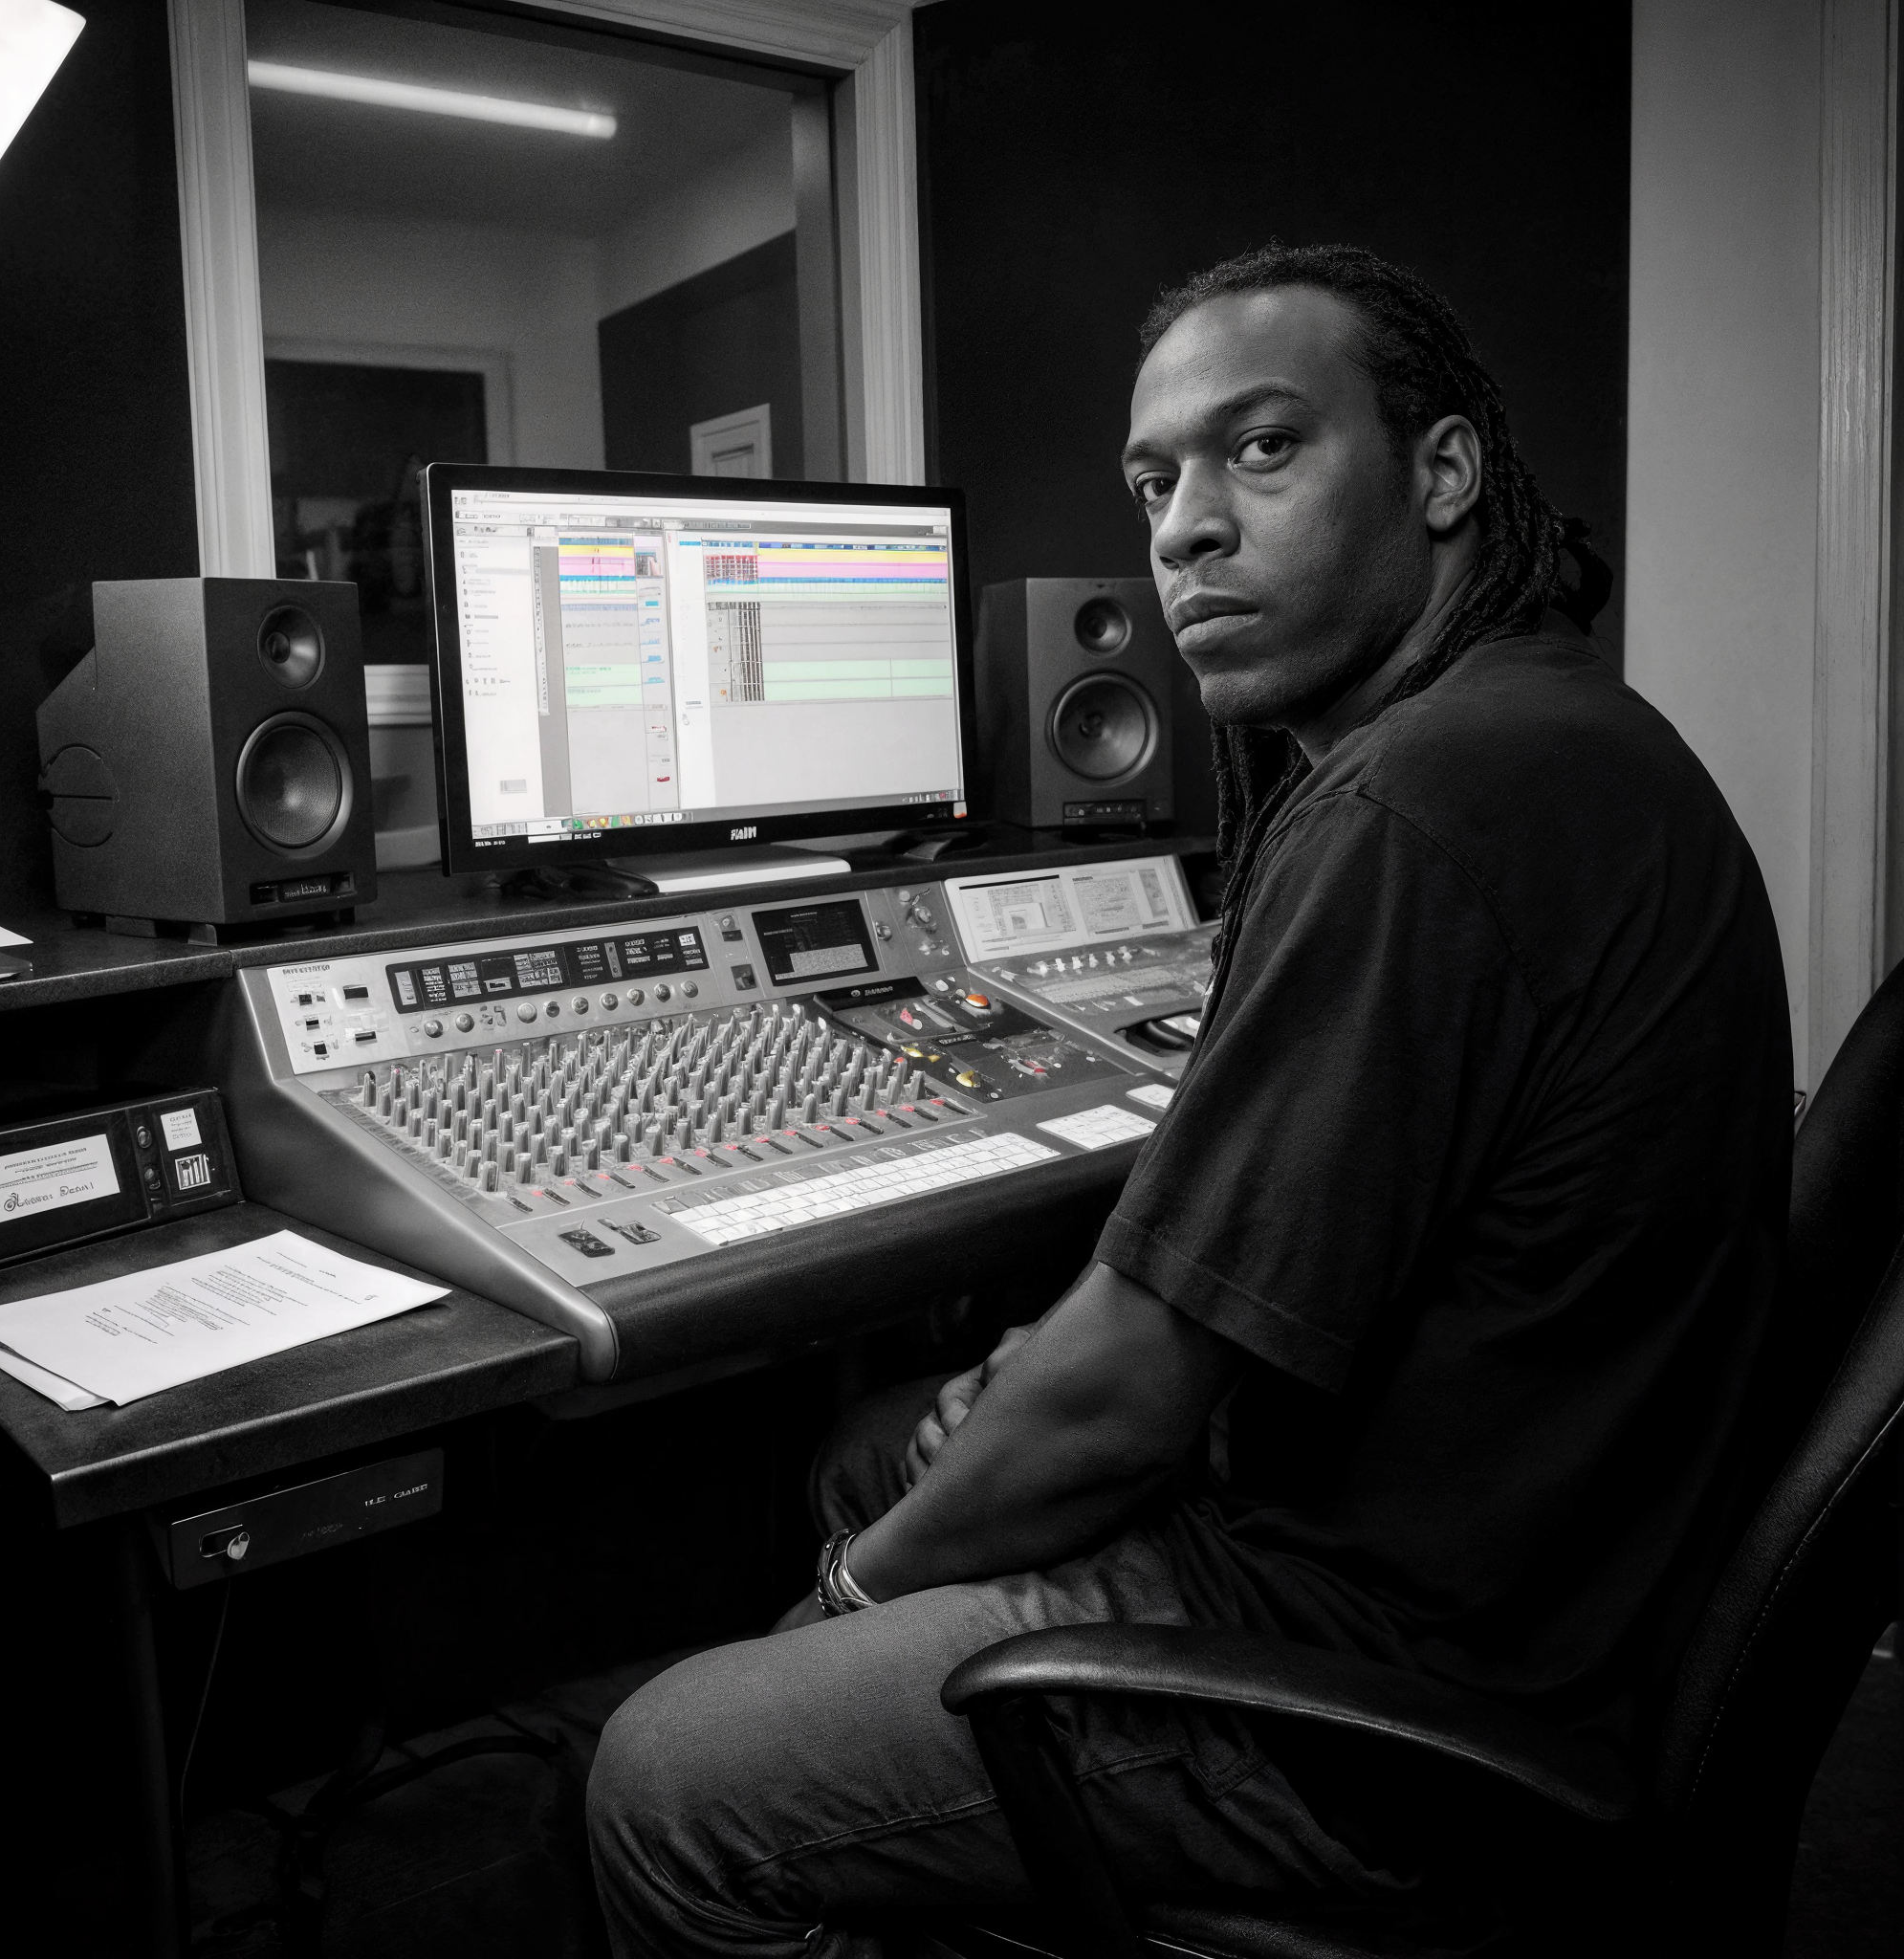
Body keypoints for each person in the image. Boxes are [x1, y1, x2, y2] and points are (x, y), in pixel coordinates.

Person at [584, 243, 1792, 1957]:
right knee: (883, 1442)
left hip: (1390, 1690)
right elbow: (1202, 1307)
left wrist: (844, 1602)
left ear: (1445, 475)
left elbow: (1134, 1392)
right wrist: (1010, 1403)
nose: (1185, 529)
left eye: (1264, 449)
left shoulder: (1424, 806)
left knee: (669, 1773)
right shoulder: (1548, 734)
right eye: (1156, 481)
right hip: (1538, 1572)